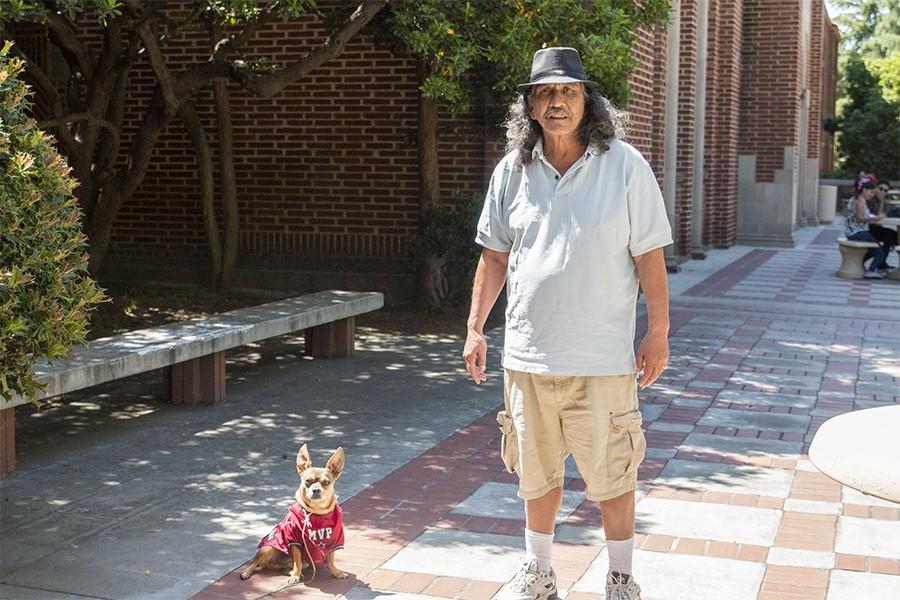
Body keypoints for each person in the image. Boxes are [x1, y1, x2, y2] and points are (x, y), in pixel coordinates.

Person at [462, 47, 672, 600]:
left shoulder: (625, 165)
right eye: (546, 93)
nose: (557, 102)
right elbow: (494, 257)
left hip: (602, 359)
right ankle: (539, 572)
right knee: (535, 475)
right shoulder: (512, 171)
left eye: (568, 92)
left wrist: (657, 332)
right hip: (528, 357)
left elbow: (649, 256)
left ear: (588, 102)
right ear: (530, 107)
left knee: (613, 477)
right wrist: (475, 327)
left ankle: (622, 577)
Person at [845, 176, 886, 279]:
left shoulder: (855, 199)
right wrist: (875, 219)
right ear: (864, 190)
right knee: (880, 252)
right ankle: (871, 270)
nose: (872, 195)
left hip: (852, 231)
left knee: (875, 249)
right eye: (871, 192)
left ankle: (861, 265)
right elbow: (859, 219)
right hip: (857, 232)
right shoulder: (861, 201)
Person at [868, 181, 897, 269]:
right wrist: (879, 216)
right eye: (881, 189)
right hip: (867, 229)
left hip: (874, 227)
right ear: (876, 188)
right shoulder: (871, 199)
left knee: (892, 237)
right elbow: (868, 216)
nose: (883, 192)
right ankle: (880, 262)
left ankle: (881, 262)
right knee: (893, 236)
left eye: (885, 190)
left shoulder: (879, 200)